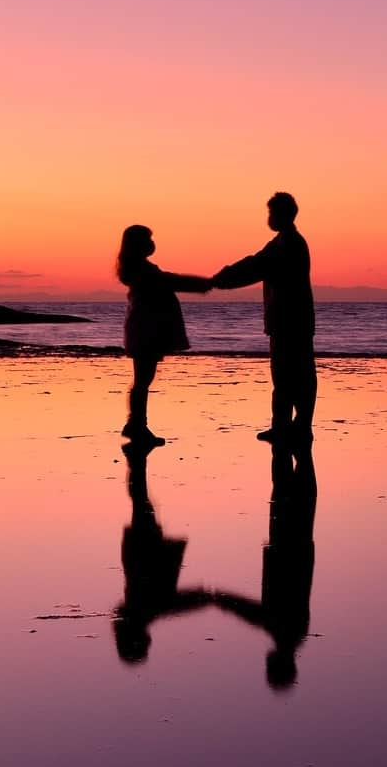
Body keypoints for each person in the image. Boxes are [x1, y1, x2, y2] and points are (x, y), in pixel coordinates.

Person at [213, 191, 316, 444]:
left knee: (289, 375)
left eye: (271, 213)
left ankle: (292, 426)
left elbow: (256, 266)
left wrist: (222, 279)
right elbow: (255, 262)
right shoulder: (282, 241)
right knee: (291, 375)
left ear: (282, 214)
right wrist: (224, 277)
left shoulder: (288, 244)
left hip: (289, 321)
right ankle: (290, 425)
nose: (268, 218)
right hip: (289, 320)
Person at [213, 444, 317, 690]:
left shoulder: (291, 634)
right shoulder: (287, 633)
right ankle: (292, 440)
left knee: (293, 490)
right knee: (289, 490)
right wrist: (223, 602)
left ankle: (290, 441)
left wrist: (224, 602)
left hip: (293, 554)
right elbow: (256, 615)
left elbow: (256, 615)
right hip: (288, 555)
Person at [113, 442, 213, 665]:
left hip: (144, 555)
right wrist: (206, 600)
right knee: (142, 505)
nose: (149, 642)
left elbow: (175, 604)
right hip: (139, 555)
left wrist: (206, 599)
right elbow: (176, 605)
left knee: (142, 505)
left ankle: (136, 461)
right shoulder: (139, 614)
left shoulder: (143, 612)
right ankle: (136, 462)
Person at [116, 224, 212, 445]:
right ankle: (137, 426)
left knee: (143, 379)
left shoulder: (140, 268)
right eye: (148, 239)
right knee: (143, 380)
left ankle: (136, 424)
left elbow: (170, 281)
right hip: (145, 331)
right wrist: (204, 283)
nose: (152, 243)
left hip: (145, 329)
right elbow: (172, 281)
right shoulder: (142, 270)